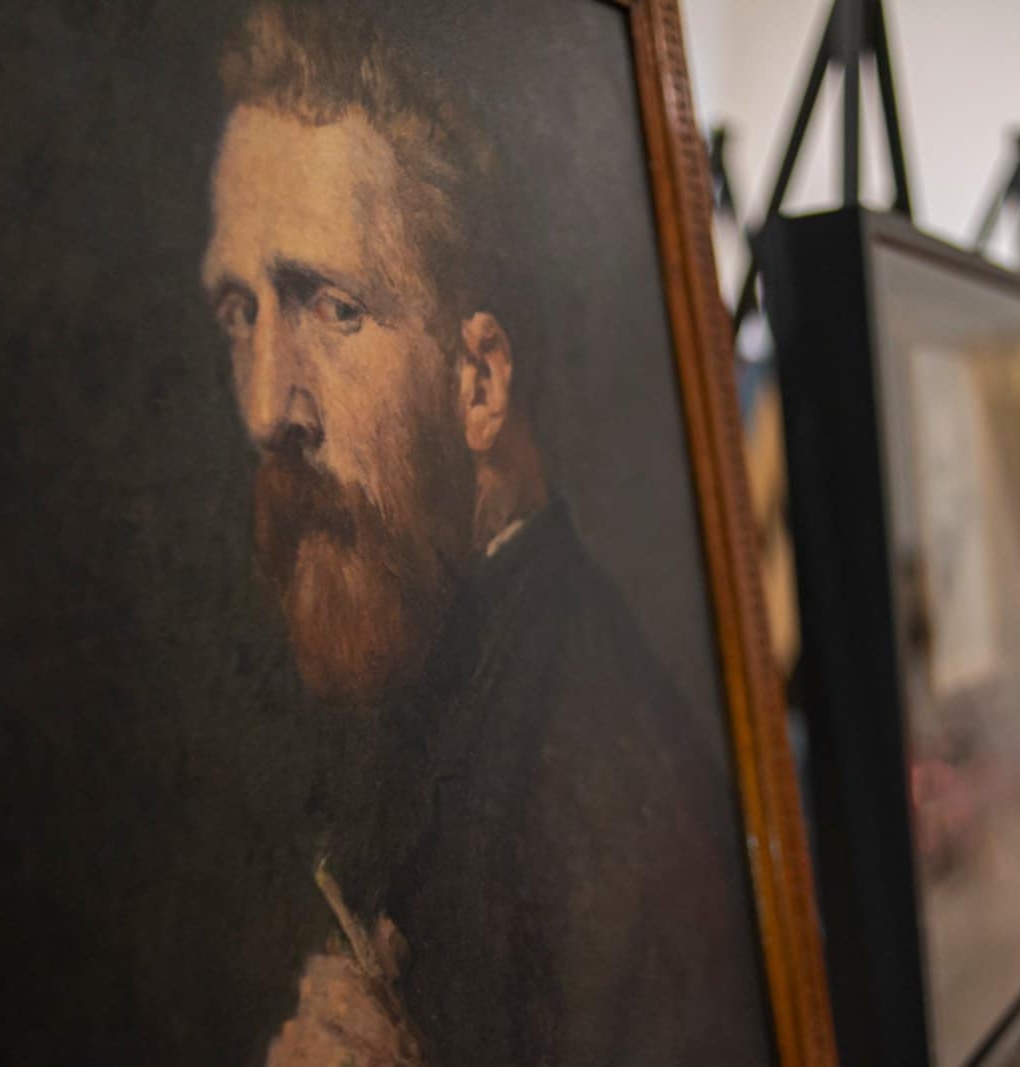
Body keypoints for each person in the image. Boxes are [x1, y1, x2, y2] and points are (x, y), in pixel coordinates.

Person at [199, 2, 769, 1062]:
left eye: (330, 306)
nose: (268, 407)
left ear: (480, 382)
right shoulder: (420, 647)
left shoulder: (611, 786)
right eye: (241, 313)